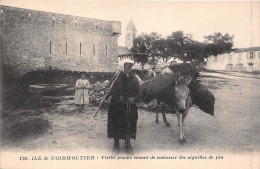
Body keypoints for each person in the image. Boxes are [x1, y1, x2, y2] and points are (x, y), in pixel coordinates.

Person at [106, 58, 140, 151]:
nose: (128, 68)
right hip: (117, 105)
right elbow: (109, 89)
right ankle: (116, 143)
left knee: (130, 123)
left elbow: (138, 92)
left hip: (130, 105)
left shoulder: (134, 78)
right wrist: (109, 92)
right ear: (122, 66)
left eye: (130, 66)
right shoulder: (116, 77)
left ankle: (127, 142)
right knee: (116, 123)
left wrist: (134, 98)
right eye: (126, 66)